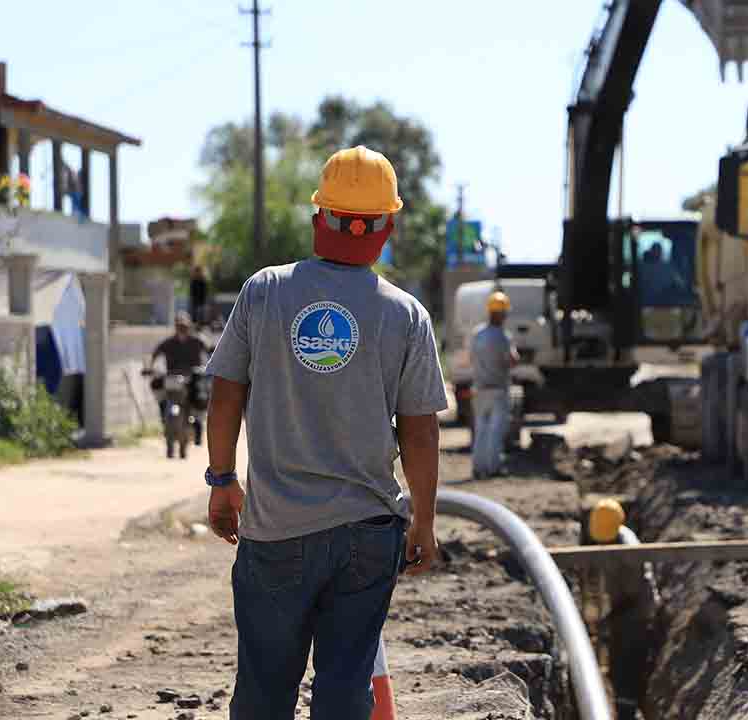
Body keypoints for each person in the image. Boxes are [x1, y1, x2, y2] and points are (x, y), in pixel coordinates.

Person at [202, 145, 447, 719]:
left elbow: (225, 395)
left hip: (275, 532)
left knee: (263, 691)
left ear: (319, 218)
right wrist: (424, 520)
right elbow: (420, 434)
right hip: (368, 535)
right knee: (344, 689)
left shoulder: (265, 291)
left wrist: (221, 480)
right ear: (386, 229)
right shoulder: (406, 315)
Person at [468, 290, 519, 480]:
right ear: (502, 314)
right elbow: (512, 361)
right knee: (496, 430)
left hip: (479, 388)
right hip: (498, 389)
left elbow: (471, 358)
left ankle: (478, 467)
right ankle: (492, 467)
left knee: (481, 429)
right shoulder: (503, 337)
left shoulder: (477, 334)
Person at [148, 311, 211, 442]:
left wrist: (210, 367)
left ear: (190, 326)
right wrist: (150, 368)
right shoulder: (168, 343)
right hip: (172, 377)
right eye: (179, 326)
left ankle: (197, 422)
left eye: (184, 326)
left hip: (193, 377)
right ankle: (163, 408)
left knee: (200, 394)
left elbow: (210, 352)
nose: (182, 329)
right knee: (155, 383)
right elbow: (155, 354)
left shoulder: (198, 341)